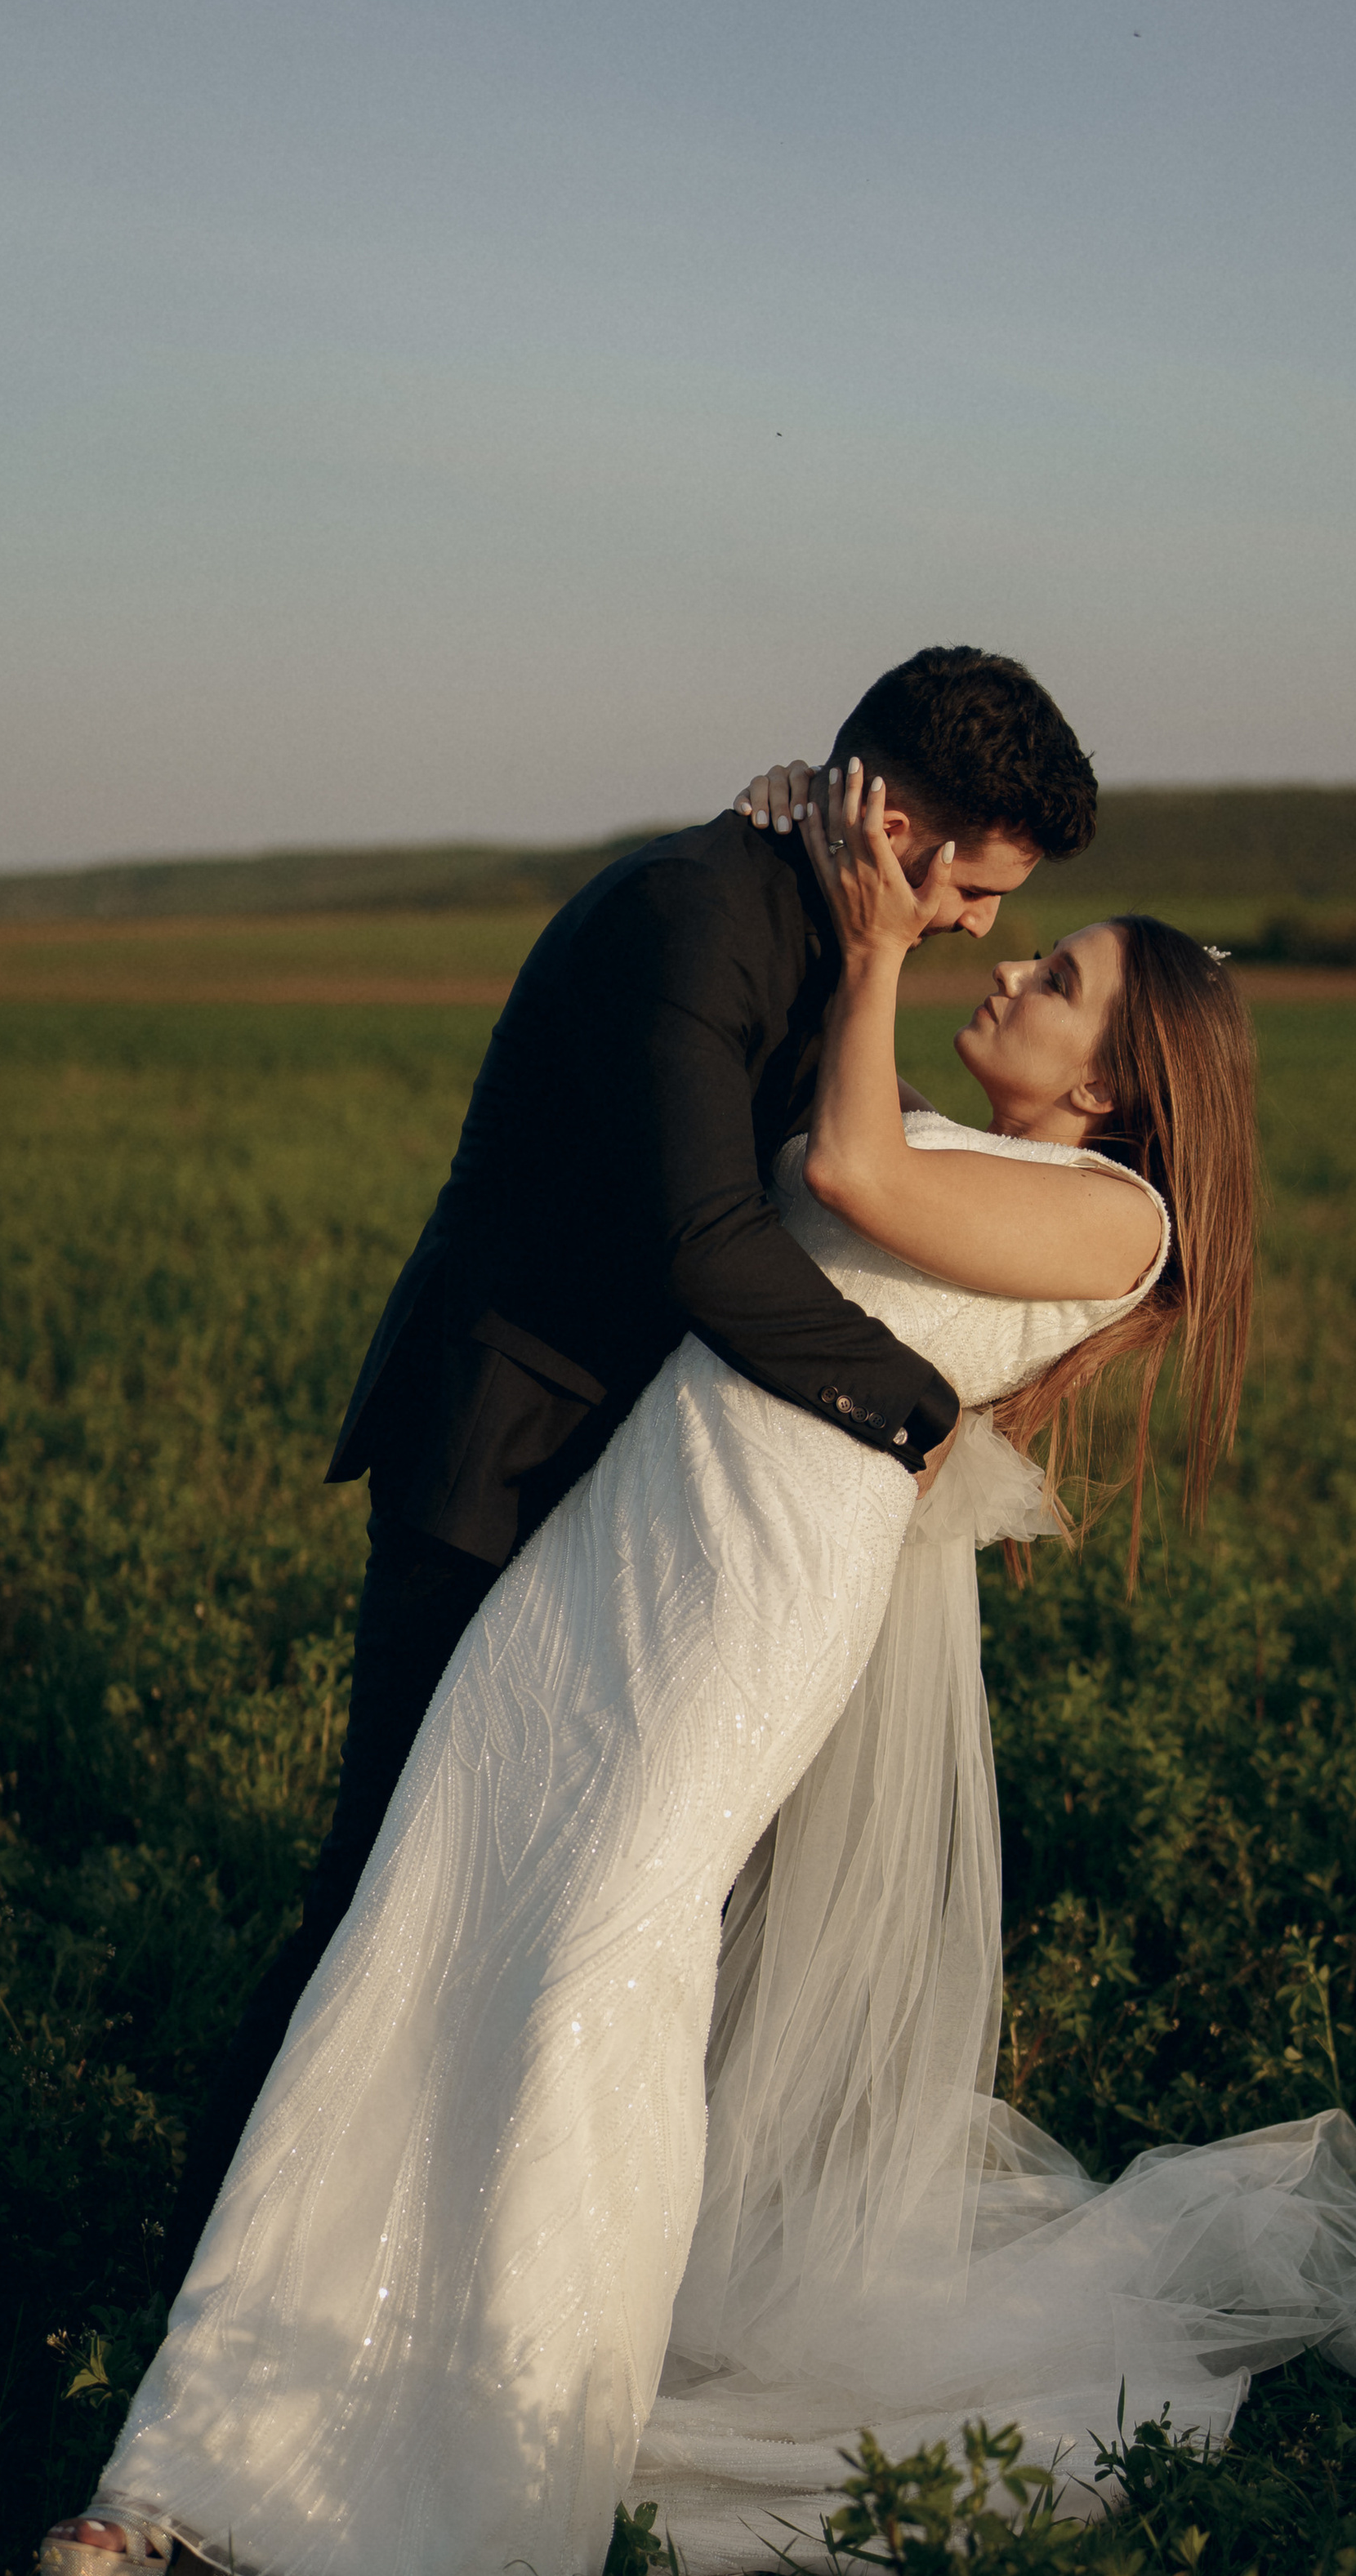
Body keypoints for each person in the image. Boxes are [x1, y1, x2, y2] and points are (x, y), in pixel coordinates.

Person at [41, 759, 1356, 2576]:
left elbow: (846, 1181)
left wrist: (864, 940)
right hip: (606, 1558)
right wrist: (786, 847)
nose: (1007, 965)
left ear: (1120, 1084)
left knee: (589, 1982)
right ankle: (191, 2472)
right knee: (421, 1942)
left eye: (1062, 976)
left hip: (745, 1609)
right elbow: (768, 1162)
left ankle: (492, 2498)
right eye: (1015, 939)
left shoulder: (1111, 1224)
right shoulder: (954, 1122)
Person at [156, 646, 1095, 2286]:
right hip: (500, 1452)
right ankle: (197, 2307)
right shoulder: (694, 912)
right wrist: (927, 1423)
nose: (977, 929)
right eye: (977, 886)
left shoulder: (818, 922)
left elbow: (872, 1164)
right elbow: (706, 1250)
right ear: (896, 821)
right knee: (384, 1893)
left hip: (630, 1495)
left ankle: (437, 2270)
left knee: (549, 1907)